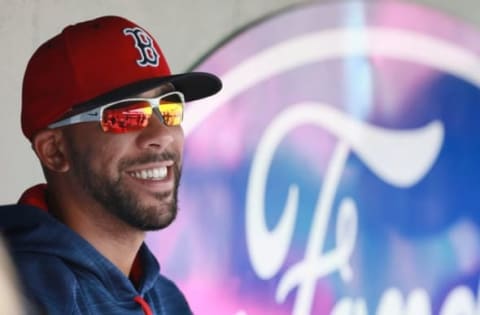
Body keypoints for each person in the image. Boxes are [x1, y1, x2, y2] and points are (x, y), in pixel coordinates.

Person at [0, 15, 222, 314]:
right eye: (126, 115)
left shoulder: (166, 298)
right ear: (55, 151)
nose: (163, 135)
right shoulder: (24, 292)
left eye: (169, 108)